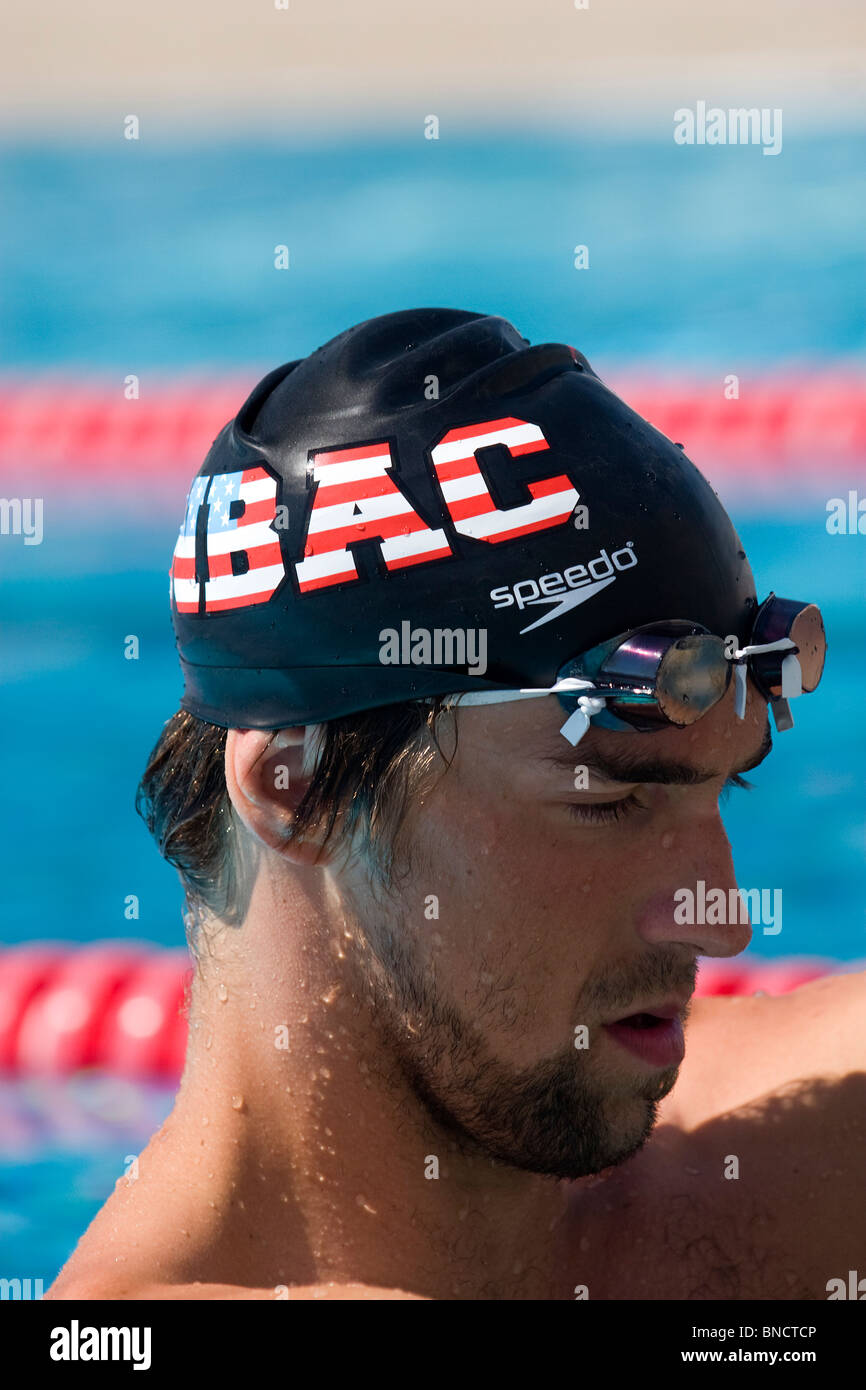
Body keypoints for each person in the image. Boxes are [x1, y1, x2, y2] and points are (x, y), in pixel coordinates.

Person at [47, 309, 862, 1301]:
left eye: (716, 788)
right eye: (609, 798)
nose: (721, 919)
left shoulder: (801, 1150)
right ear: (295, 790)